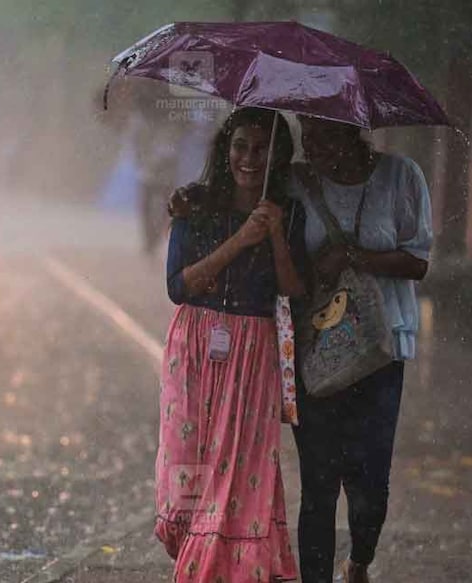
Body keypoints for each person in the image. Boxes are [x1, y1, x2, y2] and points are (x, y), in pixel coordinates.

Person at [155, 107, 306, 583]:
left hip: (253, 351)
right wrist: (241, 239)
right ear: (226, 149)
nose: (249, 158)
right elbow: (180, 286)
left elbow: (293, 291)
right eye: (241, 145)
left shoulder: (287, 209)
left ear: (277, 156)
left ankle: (226, 572)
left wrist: (276, 233)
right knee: (189, 464)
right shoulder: (194, 203)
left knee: (239, 470)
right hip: (195, 345)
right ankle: (195, 554)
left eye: (261, 149)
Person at [289, 116, 432, 583]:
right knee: (319, 485)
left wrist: (353, 257)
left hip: (381, 348)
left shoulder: (400, 176)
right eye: (305, 136)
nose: (312, 147)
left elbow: (418, 261)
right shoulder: (294, 181)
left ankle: (359, 561)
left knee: (370, 482)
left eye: (324, 136)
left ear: (353, 132)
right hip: (315, 350)